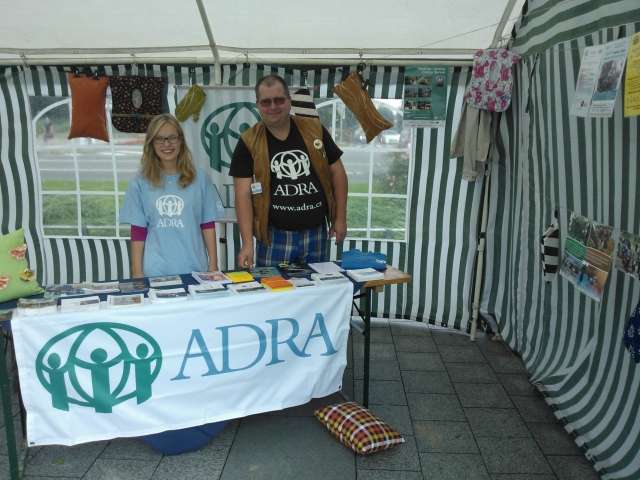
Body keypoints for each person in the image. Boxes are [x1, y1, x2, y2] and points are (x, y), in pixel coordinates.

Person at [230, 74, 348, 268]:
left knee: (316, 286)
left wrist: (340, 218)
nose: (273, 107)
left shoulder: (315, 130)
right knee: (272, 288)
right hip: (273, 237)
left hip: (316, 233)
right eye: (266, 102)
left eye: (279, 100)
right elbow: (242, 195)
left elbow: (338, 173)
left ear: (289, 101)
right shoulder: (248, 142)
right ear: (258, 105)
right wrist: (248, 243)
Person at [121, 113, 223, 278]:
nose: (166, 144)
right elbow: (138, 231)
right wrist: (137, 273)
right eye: (159, 139)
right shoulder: (139, 183)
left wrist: (213, 264)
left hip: (195, 268)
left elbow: (207, 225)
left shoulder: (200, 178)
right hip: (156, 271)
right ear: (151, 143)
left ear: (181, 140)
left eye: (172, 138)